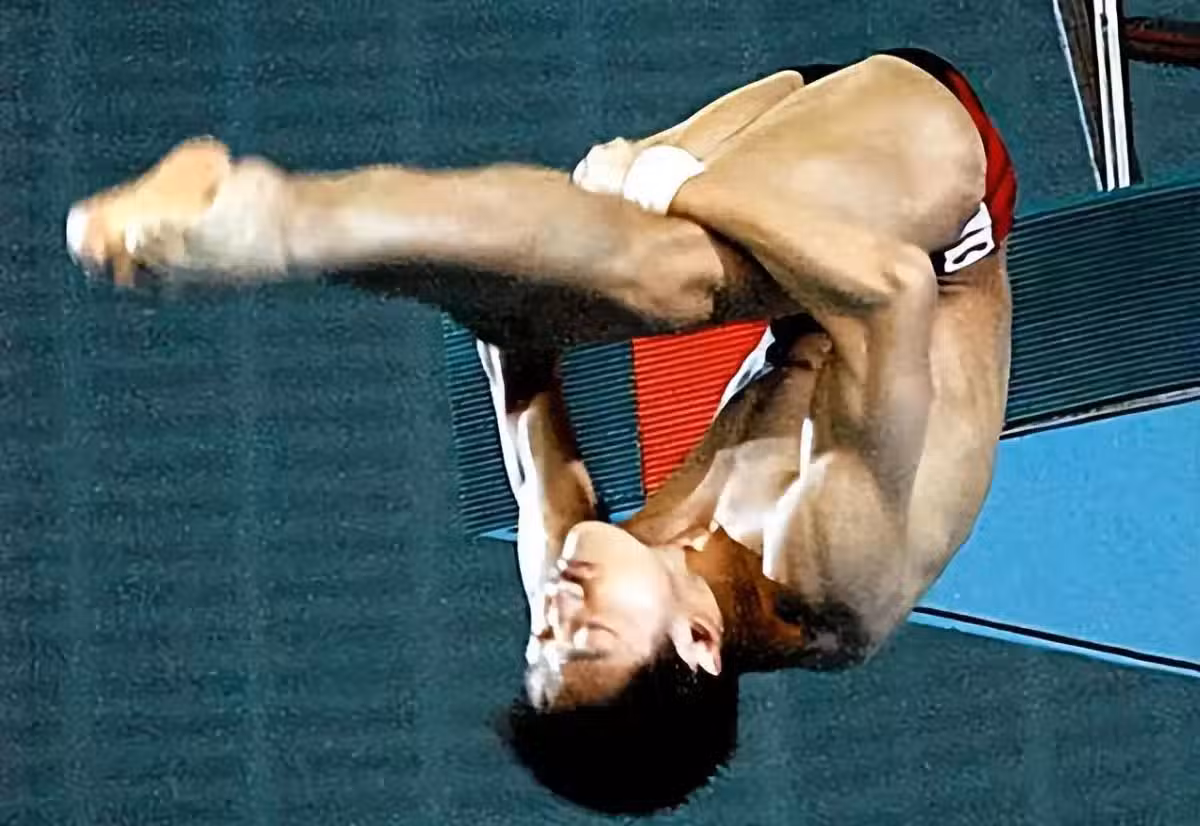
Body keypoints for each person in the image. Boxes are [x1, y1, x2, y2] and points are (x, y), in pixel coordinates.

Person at [65, 47, 1016, 814]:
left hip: (800, 158)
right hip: (938, 198)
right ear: (697, 641)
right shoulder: (829, 575)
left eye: (540, 640)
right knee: (675, 273)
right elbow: (890, 290)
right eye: (587, 636)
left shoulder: (580, 573)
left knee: (545, 303)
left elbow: (512, 365)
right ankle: (274, 223)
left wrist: (459, 269)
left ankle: (273, 230)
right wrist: (675, 185)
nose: (557, 609)